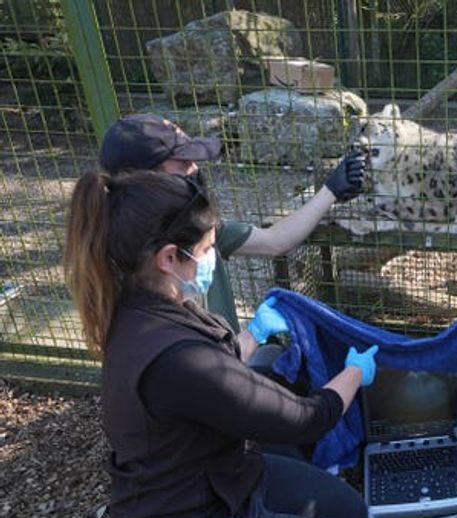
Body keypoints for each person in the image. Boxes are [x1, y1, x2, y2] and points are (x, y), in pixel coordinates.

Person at [63, 168, 381, 518]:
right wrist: (354, 373)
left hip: (225, 478)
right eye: (210, 249)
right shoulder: (176, 358)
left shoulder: (143, 304)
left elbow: (220, 370)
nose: (215, 257)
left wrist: (251, 336)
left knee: (349, 515)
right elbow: (304, 419)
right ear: (171, 257)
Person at [98, 113, 365, 348]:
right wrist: (251, 337)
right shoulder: (134, 284)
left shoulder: (195, 228)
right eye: (183, 162)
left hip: (223, 361)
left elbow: (275, 241)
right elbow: (195, 368)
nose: (195, 169)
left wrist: (331, 190)